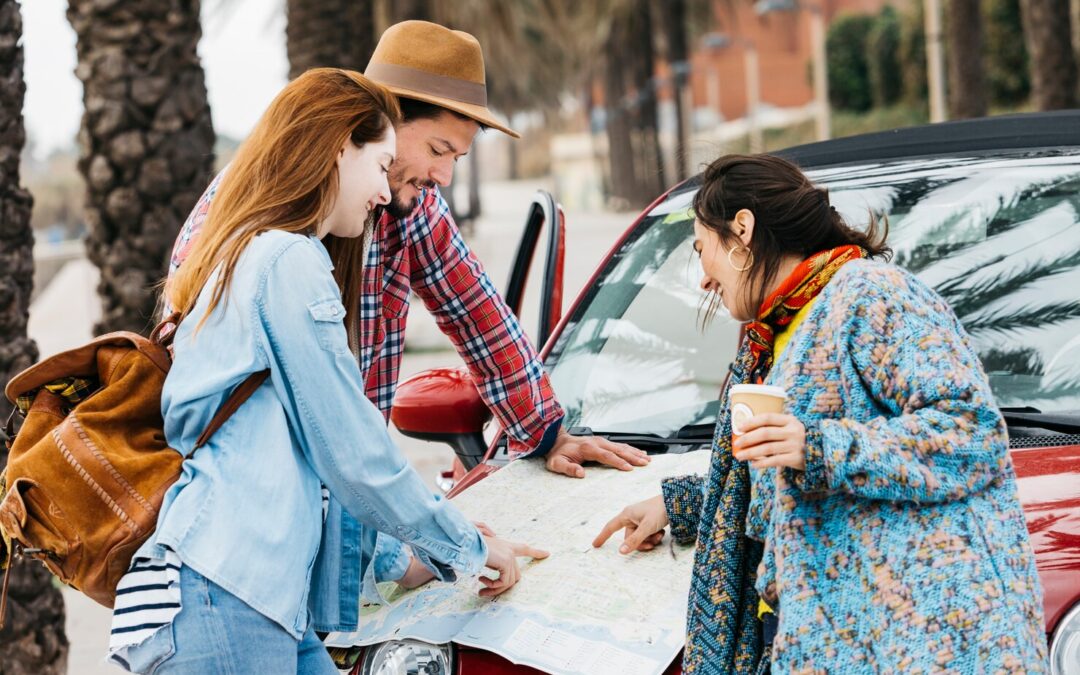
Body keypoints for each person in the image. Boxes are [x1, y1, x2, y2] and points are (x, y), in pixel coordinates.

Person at [166, 19, 648, 625]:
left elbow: (478, 313)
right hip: (246, 549)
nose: (443, 176)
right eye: (439, 151)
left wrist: (546, 432)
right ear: (373, 127)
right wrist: (454, 544)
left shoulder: (410, 206)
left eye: (459, 158)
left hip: (343, 537)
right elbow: (336, 442)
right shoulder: (267, 235)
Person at [107, 69, 547, 674]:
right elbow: (354, 455)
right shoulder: (286, 259)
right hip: (225, 597)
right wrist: (465, 549)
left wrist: (405, 557)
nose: (384, 192)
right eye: (381, 164)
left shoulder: (252, 251)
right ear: (339, 147)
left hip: (255, 603)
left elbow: (316, 472)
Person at [594, 154, 1048, 673]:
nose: (703, 279)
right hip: (814, 639)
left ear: (742, 230)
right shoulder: (771, 337)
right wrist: (683, 507)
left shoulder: (871, 294)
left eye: (703, 250)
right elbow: (785, 480)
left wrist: (818, 447)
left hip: (912, 646)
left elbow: (972, 434)